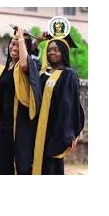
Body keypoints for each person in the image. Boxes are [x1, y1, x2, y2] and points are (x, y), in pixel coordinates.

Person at [0, 27, 41, 175]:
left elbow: (25, 63)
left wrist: (21, 37)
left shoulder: (25, 68)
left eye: (18, 45)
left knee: (15, 165)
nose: (14, 48)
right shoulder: (1, 69)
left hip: (18, 125)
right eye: (12, 44)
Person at [32, 30, 85, 175]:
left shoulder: (68, 74)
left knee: (50, 168)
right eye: (49, 50)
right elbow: (27, 66)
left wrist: (69, 133)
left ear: (64, 52)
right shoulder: (43, 73)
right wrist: (37, 42)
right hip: (35, 129)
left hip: (54, 132)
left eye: (56, 50)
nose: (51, 52)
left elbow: (70, 106)